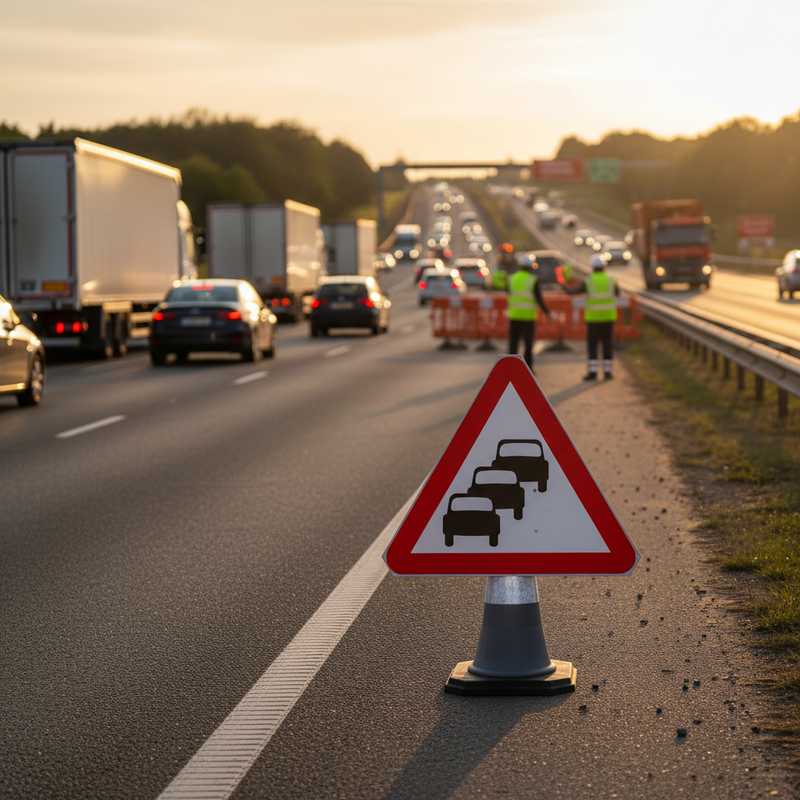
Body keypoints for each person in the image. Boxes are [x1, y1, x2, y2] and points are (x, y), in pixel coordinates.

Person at [566, 253, 620, 380]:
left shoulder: (588, 281)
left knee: (592, 346)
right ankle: (608, 373)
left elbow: (574, 291)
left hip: (593, 319)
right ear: (604, 267)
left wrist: (565, 287)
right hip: (608, 318)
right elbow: (617, 293)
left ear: (592, 267)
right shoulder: (611, 280)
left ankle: (592, 373)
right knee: (607, 345)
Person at [506, 251, 551, 372]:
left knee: (513, 344)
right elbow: (539, 299)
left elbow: (509, 294)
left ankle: (510, 369)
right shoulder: (533, 280)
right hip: (528, 318)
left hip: (514, 316)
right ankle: (527, 369)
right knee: (528, 344)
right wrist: (548, 314)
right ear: (531, 266)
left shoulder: (512, 279)